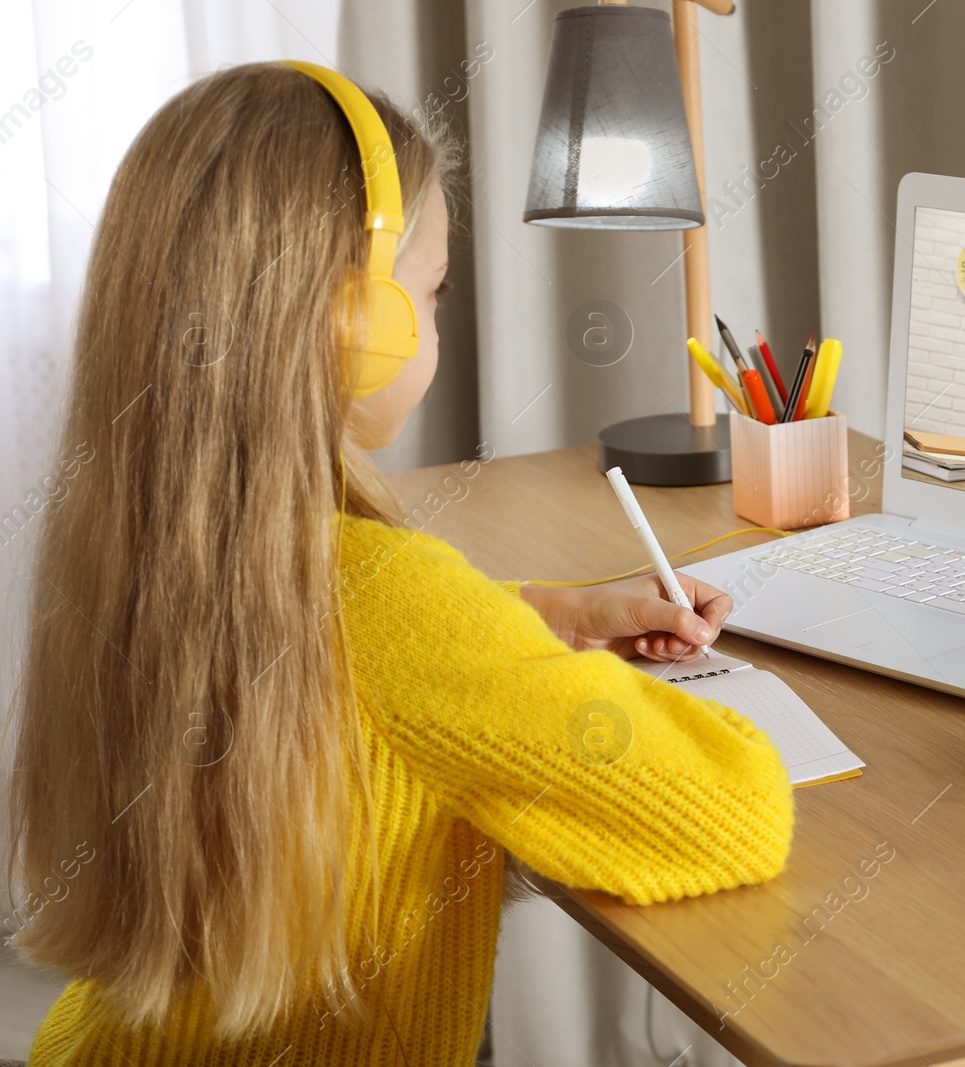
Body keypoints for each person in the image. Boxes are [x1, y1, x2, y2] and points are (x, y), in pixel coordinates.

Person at [9, 62, 791, 1065]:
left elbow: (352, 665)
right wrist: (550, 672)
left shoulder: (145, 550)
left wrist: (534, 617)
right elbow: (736, 813)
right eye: (429, 290)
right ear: (352, 323)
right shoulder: (394, 598)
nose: (435, 316)